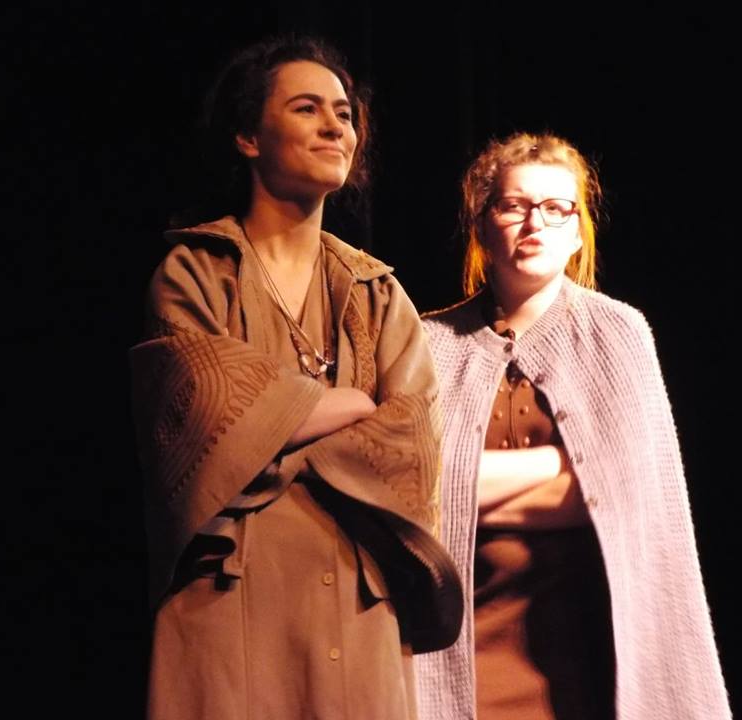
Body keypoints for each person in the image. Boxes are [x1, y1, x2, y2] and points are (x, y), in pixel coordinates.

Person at [130, 36, 461, 720]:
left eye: (343, 113)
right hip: (232, 598)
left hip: (357, 602)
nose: (335, 127)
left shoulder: (376, 292)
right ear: (249, 137)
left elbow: (412, 449)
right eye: (307, 108)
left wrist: (269, 430)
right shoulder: (196, 273)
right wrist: (348, 405)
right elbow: (199, 431)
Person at [415, 132, 730, 719]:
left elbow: (632, 498)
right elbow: (407, 491)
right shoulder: (429, 344)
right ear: (482, 225)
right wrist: (566, 466)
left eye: (556, 208)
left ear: (578, 231)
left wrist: (460, 488)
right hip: (460, 645)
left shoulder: (618, 333)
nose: (535, 222)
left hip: (586, 654)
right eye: (513, 206)